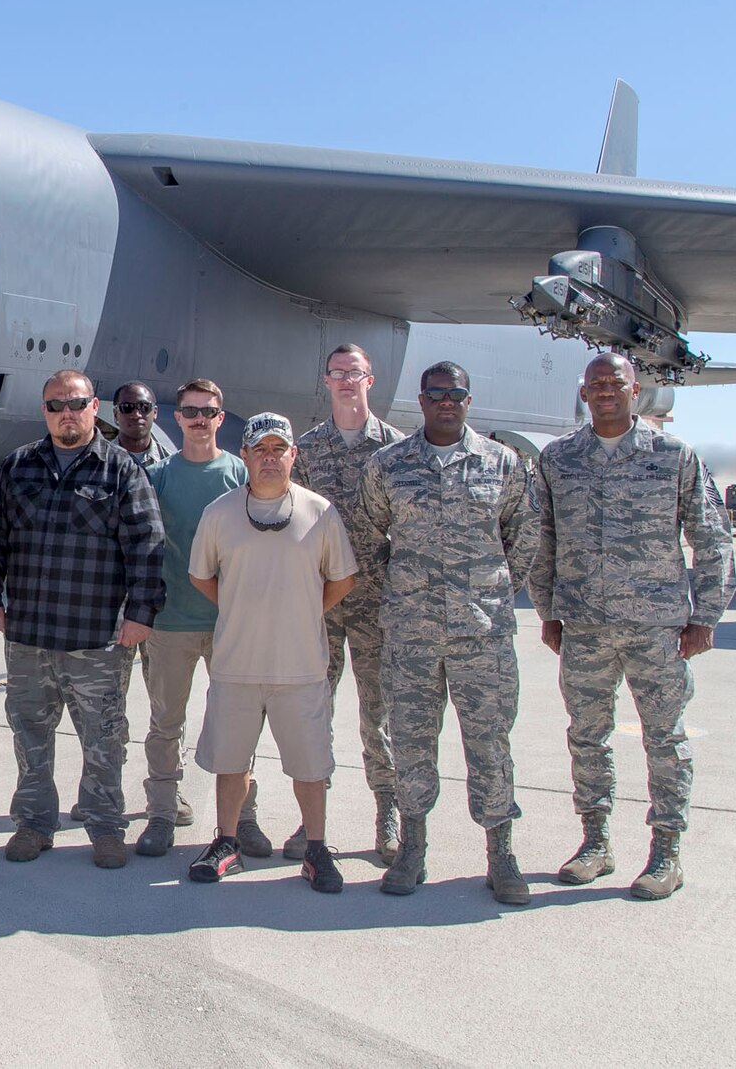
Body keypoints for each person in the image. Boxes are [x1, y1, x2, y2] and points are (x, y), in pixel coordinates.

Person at [529, 352, 736, 901]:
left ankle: (666, 851)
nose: (604, 391)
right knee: (586, 737)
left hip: (657, 629)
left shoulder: (673, 455)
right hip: (586, 628)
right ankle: (595, 843)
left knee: (665, 739)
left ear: (635, 390)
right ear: (583, 392)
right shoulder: (559, 459)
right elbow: (542, 539)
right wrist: (547, 609)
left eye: (614, 383)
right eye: (595, 383)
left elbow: (711, 537)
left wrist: (705, 615)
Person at [356, 362, 536, 904]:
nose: (447, 401)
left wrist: (488, 593)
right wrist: (408, 591)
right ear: (422, 400)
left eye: (456, 393)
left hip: (482, 637)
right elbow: (370, 535)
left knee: (490, 744)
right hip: (411, 635)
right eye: (437, 394)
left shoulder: (502, 463)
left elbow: (521, 539)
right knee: (410, 742)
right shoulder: (388, 465)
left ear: (468, 399)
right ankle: (412, 847)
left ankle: (501, 853)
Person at [0, 370, 164, 869]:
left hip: (95, 635)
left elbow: (147, 547)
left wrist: (141, 615)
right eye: (56, 405)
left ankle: (105, 827)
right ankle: (34, 824)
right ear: (45, 411)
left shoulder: (120, 470)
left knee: (103, 738)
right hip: (30, 633)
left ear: (94, 407)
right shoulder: (18, 467)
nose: (66, 413)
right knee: (29, 734)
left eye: (75, 403)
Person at [185, 413, 357, 892]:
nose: (269, 458)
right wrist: (242, 606)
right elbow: (201, 576)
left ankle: (317, 847)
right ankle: (226, 841)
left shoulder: (320, 512)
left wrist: (302, 611)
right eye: (260, 450)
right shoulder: (219, 513)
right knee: (230, 761)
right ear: (244, 456)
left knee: (310, 765)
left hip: (299, 667)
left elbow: (342, 578)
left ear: (293, 456)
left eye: (279, 450)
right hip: (237, 665)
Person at [292, 343, 408, 863]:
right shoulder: (307, 449)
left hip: (379, 606)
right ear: (326, 381)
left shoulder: (399, 450)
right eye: (337, 373)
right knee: (315, 714)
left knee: (378, 718)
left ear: (370, 380)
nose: (345, 382)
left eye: (354, 373)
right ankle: (310, 823)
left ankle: (387, 817)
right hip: (321, 605)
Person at [133, 379, 248, 858]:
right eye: (191, 412)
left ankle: (244, 818)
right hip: (170, 623)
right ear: (174, 418)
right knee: (166, 724)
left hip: (230, 625)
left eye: (209, 411)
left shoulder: (240, 473)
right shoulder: (157, 476)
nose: (200, 419)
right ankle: (161, 812)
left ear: (221, 417)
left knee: (236, 724)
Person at [104, 381, 177, 469]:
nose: (136, 415)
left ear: (155, 412)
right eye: (127, 407)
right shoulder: (97, 461)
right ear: (116, 414)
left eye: (144, 407)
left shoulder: (171, 465)